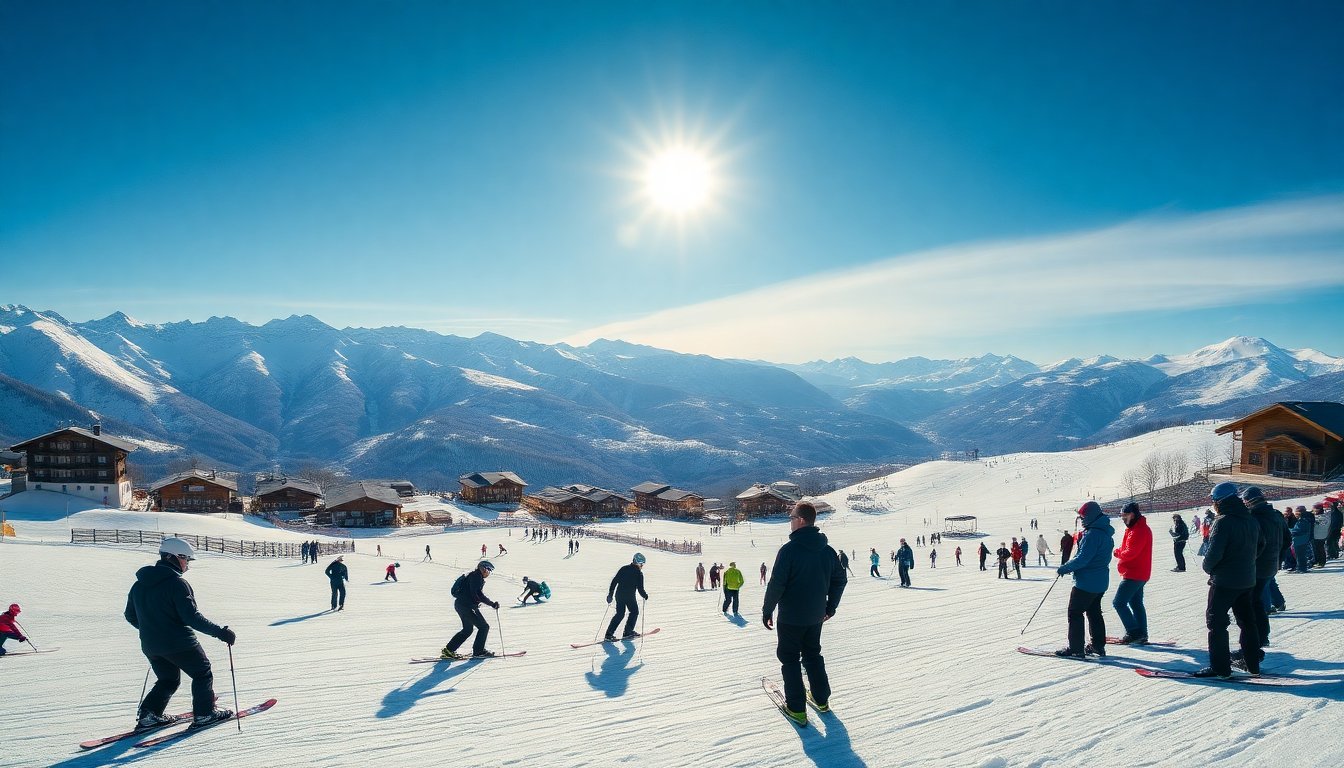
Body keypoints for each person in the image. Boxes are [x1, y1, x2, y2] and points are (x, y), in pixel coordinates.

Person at [124, 537, 235, 730]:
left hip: (151, 645)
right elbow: (192, 617)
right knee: (202, 673)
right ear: (172, 557)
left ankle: (149, 715)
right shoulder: (177, 583)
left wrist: (152, 630)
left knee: (168, 680)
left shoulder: (138, 585)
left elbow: (130, 616)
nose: (187, 564)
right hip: (179, 643)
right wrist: (221, 632)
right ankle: (204, 714)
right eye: (185, 559)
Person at [762, 502, 847, 726]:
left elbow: (776, 584)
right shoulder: (827, 551)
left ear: (800, 520)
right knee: (812, 654)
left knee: (789, 659)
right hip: (816, 616)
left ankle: (796, 708)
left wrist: (767, 609)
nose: (789, 521)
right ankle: (821, 699)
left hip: (790, 617)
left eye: (791, 517)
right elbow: (840, 579)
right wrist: (830, 608)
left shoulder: (789, 550)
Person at [1197, 482, 1262, 678]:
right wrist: (1246, 563)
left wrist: (1208, 568)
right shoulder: (1250, 519)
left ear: (1219, 502)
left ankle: (1220, 668)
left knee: (1216, 623)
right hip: (1247, 580)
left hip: (1225, 582)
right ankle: (1253, 666)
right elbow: (1261, 546)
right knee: (1247, 622)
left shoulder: (1223, 521)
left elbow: (1214, 553)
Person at [1054, 501, 1115, 658]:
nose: (1081, 520)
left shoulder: (1092, 535)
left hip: (1086, 583)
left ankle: (1076, 649)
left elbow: (1083, 559)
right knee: (1094, 612)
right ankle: (1098, 646)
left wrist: (1065, 567)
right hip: (1100, 582)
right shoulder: (1105, 532)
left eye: (1082, 517)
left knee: (1075, 612)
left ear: (1090, 516)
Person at [1240, 486, 1289, 668]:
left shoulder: (1254, 518)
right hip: (1270, 566)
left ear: (1250, 501)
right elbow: (1287, 540)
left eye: (1245, 502)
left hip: (1257, 567)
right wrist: (1278, 559)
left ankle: (1253, 646)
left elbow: (1252, 544)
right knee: (1257, 603)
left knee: (1250, 605)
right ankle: (1261, 638)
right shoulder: (1275, 514)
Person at [1111, 502, 1152, 644]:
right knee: (1136, 603)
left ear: (1132, 515)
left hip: (1134, 573)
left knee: (1119, 603)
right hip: (1138, 572)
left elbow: (1130, 552)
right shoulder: (1136, 528)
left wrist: (1117, 552)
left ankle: (1133, 631)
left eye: (1125, 516)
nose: (1123, 519)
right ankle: (1142, 634)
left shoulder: (1138, 530)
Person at [442, 560, 500, 659]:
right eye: (488, 570)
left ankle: (449, 650)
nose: (489, 573)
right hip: (467, 606)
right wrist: (491, 604)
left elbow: (476, 594)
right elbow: (477, 594)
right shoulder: (476, 577)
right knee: (484, 627)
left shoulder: (475, 576)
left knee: (467, 629)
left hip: (461, 605)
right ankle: (479, 651)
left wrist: (488, 603)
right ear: (483, 568)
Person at [604, 553, 649, 641]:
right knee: (634, 612)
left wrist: (610, 594)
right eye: (641, 564)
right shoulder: (639, 574)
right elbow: (640, 589)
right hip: (629, 597)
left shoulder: (624, 568)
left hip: (619, 595)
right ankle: (628, 632)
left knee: (620, 614)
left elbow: (614, 581)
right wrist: (645, 596)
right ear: (637, 562)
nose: (642, 566)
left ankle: (609, 634)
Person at [1290, 506, 1314, 574]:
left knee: (1300, 555)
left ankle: (1301, 568)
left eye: (1297, 513)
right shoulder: (1305, 519)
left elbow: (1299, 530)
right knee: (1300, 555)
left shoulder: (1303, 520)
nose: (1295, 514)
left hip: (1300, 540)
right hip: (1301, 540)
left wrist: (1290, 531)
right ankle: (1301, 567)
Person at [1311, 503, 1329, 568]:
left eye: (1315, 509)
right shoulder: (1320, 516)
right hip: (1319, 535)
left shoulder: (1322, 517)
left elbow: (1321, 525)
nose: (1314, 510)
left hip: (1320, 535)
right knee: (1317, 549)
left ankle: (1321, 562)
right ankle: (1318, 561)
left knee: (1320, 549)